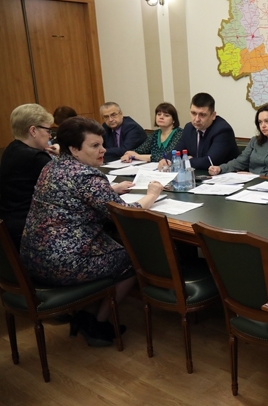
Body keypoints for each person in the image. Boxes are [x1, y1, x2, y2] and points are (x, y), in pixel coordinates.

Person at [20, 117, 163, 347]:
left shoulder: (52, 166)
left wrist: (110, 189)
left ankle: (85, 315)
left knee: (111, 246)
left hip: (33, 258)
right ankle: (97, 323)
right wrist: (152, 195)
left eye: (102, 144)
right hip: (62, 263)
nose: (103, 150)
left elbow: (76, 195)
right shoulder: (87, 176)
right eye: (95, 145)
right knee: (132, 258)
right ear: (74, 149)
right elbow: (126, 215)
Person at [0, 104, 59, 249]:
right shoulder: (36, 157)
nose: (50, 136)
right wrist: (64, 156)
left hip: (13, 225)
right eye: (48, 130)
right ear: (33, 130)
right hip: (32, 233)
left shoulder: (12, 149)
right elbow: (69, 186)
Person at [208, 104, 268, 178]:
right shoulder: (255, 141)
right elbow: (240, 162)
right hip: (252, 182)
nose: (263, 125)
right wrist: (220, 168)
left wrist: (256, 175)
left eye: (267, 121)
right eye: (260, 122)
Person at [159, 92, 239, 170]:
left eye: (202, 115)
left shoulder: (222, 130)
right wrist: (167, 160)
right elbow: (177, 151)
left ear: (213, 115)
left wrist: (186, 161)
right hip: (198, 174)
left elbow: (210, 162)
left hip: (224, 175)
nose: (197, 119)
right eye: (193, 113)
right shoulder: (189, 128)